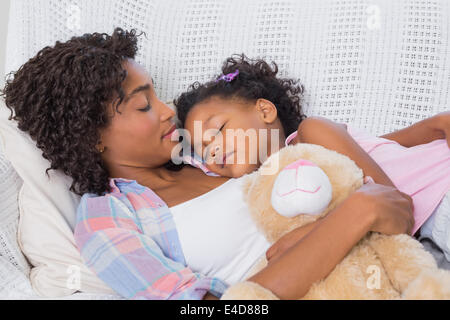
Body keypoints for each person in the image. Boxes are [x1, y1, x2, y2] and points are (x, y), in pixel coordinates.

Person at [1, 28, 414, 300]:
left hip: (393, 260)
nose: (167, 112)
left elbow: (317, 155)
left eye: (158, 96)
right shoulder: (107, 222)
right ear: (92, 135)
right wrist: (352, 218)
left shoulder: (204, 152)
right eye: (144, 104)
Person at [175, 54, 450, 261]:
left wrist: (307, 237)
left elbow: (388, 198)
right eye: (202, 149)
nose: (212, 149)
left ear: (265, 111)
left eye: (219, 129)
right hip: (420, 242)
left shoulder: (311, 133)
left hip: (439, 198)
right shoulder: (273, 199)